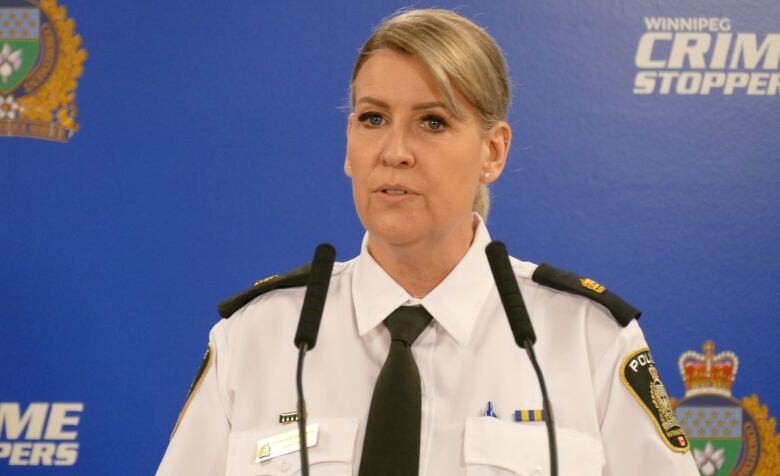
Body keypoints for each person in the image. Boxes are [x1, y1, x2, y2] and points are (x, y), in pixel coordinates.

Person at [158, 8, 699, 475]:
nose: (394, 151)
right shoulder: (255, 339)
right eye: (372, 118)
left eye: (433, 122)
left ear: (493, 152)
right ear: (349, 146)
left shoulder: (588, 340)